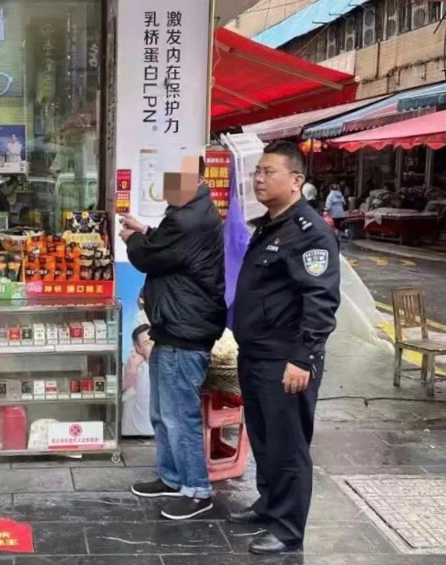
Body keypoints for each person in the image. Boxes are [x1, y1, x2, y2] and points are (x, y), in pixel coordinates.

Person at [231, 141, 341, 555]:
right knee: (263, 438)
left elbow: (320, 301)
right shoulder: (270, 224)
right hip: (256, 353)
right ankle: (269, 503)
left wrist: (302, 358)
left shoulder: (310, 233)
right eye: (257, 171)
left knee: (288, 444)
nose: (259, 179)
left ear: (296, 180)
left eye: (269, 172)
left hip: (285, 358)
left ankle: (288, 528)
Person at [119, 156, 226, 521]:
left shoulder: (187, 218)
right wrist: (147, 230)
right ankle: (171, 476)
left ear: (198, 180)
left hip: (186, 330)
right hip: (172, 326)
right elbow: (170, 247)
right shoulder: (190, 212)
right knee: (163, 412)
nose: (170, 190)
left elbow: (150, 257)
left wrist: (134, 239)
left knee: (180, 415)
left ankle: (197, 490)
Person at [122, 324, 155, 437]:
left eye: (155, 340)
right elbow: (118, 396)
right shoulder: (133, 366)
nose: (154, 346)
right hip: (135, 434)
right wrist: (132, 370)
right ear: (139, 349)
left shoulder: (169, 367)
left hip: (160, 434)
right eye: (147, 343)